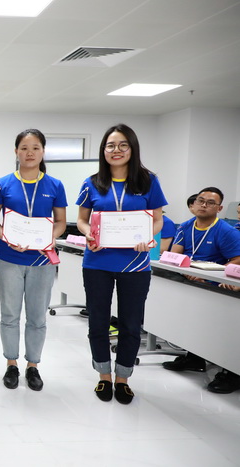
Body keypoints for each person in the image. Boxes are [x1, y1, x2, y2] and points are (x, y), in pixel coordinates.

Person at [76, 123, 166, 404]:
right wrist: (88, 233)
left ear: (132, 148)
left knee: (130, 324)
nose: (116, 150)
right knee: (98, 322)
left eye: (123, 145)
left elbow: (157, 219)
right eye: (110, 145)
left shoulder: (148, 181)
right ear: (103, 150)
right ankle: (104, 376)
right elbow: (81, 219)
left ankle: (123, 379)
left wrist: (147, 237)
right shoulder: (92, 182)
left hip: (135, 265)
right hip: (97, 263)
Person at [0, 129, 67, 391]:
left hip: (42, 261)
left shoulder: (55, 185)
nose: (29, 153)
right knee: (10, 314)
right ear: (16, 152)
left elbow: (61, 222)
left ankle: (33, 366)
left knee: (37, 317)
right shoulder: (2, 184)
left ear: (43, 151)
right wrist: (7, 237)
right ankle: (11, 364)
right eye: (24, 148)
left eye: (35, 148)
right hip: (9, 258)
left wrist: (49, 238)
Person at [162, 187, 240, 393]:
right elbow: (175, 254)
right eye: (200, 200)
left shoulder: (226, 231)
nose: (203, 205)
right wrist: (187, 270)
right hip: (191, 280)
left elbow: (237, 259)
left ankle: (232, 372)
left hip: (215, 286)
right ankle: (194, 359)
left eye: (210, 203)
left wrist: (211, 274)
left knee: (219, 329)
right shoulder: (186, 226)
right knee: (190, 321)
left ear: (219, 208)